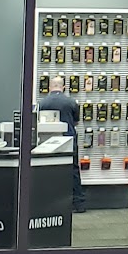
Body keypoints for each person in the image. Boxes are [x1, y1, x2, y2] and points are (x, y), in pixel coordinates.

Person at [39, 73, 85, 212]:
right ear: (63, 87)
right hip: (69, 139)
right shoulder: (71, 102)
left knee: (49, 169)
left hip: (48, 141)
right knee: (73, 170)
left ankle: (50, 203)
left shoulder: (43, 103)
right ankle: (78, 203)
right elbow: (76, 121)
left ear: (50, 87)